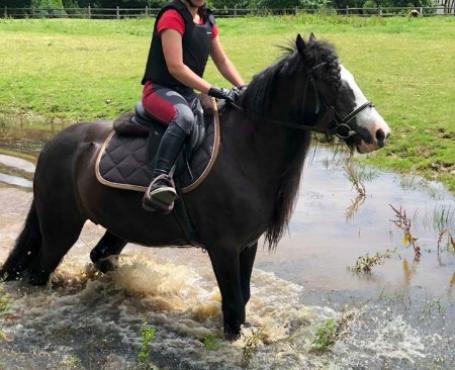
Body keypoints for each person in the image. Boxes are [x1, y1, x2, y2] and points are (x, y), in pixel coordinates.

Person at [140, 0, 244, 213]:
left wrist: (243, 88)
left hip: (187, 93)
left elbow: (222, 61)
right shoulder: (172, 16)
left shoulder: (207, 19)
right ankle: (160, 179)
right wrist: (213, 89)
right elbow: (176, 67)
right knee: (184, 117)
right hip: (159, 90)